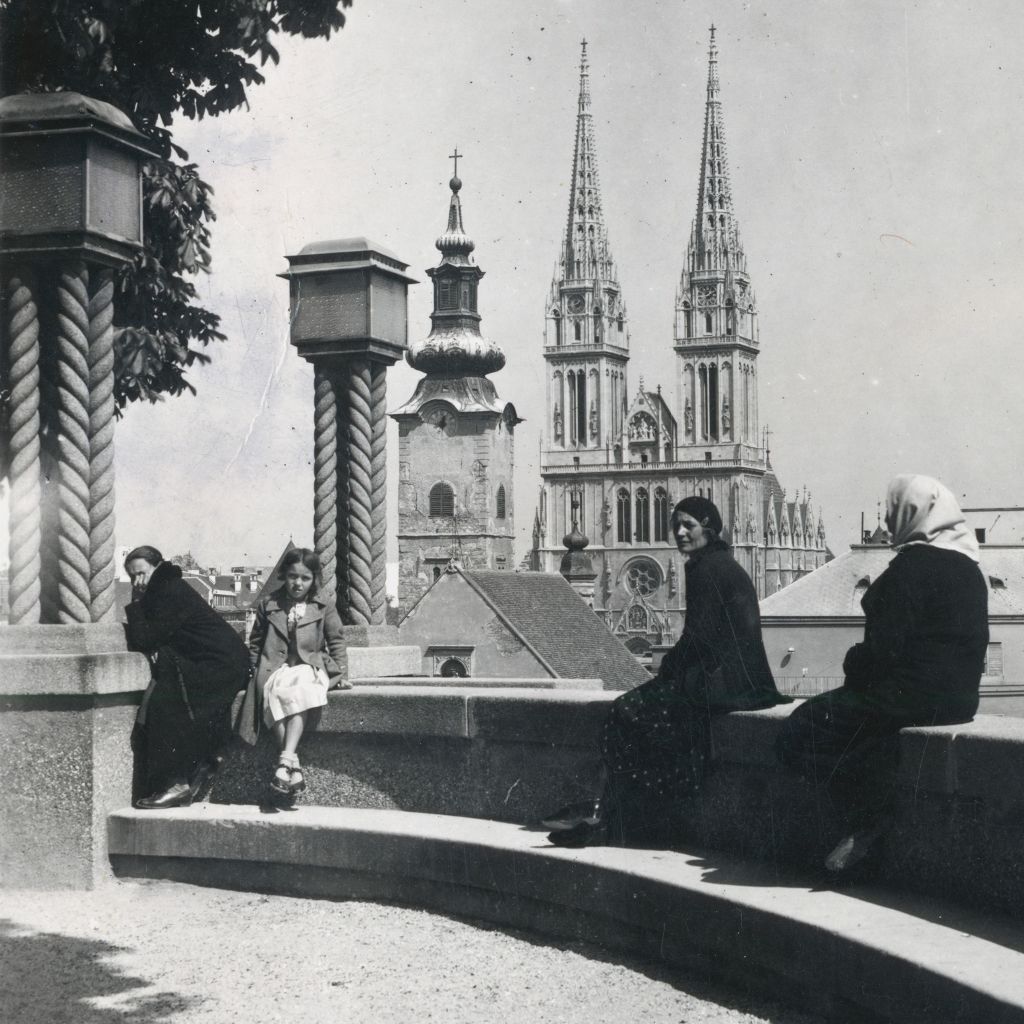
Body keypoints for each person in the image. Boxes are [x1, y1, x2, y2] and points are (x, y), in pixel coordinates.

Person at [545, 496, 790, 847]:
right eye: (676, 525)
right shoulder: (717, 562)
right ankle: (614, 816)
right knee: (643, 714)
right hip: (735, 680)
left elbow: (700, 637)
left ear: (709, 527)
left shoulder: (707, 568)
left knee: (625, 711)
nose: (679, 532)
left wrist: (670, 670)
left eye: (688, 525)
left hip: (722, 682)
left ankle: (614, 818)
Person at [775, 474, 988, 875]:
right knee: (867, 735)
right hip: (959, 700)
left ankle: (870, 816)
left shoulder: (911, 568)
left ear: (912, 514)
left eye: (894, 513)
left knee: (802, 729)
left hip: (908, 696)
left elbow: (882, 653)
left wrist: (853, 663)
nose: (889, 524)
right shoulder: (968, 568)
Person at [125, 546, 250, 809]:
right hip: (223, 660)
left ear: (156, 566)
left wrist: (135, 605)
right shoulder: (169, 586)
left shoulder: (167, 591)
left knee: (168, 703)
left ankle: (177, 783)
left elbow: (145, 638)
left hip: (220, 664)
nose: (137, 582)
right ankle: (205, 760)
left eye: (141, 574)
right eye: (132, 577)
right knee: (174, 695)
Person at [235, 548, 349, 801]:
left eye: (305, 578)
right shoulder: (269, 604)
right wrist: (255, 671)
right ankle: (291, 765)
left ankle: (285, 761)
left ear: (314, 579)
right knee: (272, 693)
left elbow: (337, 640)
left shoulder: (323, 604)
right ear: (284, 576)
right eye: (292, 577)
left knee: (300, 689)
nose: (298, 583)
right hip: (276, 667)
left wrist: (340, 673)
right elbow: (255, 642)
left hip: (310, 665)